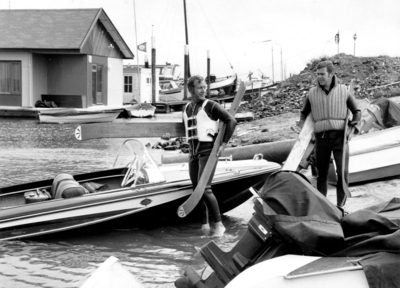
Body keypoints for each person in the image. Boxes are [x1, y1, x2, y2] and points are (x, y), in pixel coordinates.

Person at [299, 60, 361, 207]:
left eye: (322, 74)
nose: (319, 77)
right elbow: (303, 114)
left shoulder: (343, 91)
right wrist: (306, 133)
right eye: (317, 74)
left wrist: (353, 127)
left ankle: (340, 207)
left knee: (342, 173)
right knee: (321, 175)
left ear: (331, 74)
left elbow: (357, 112)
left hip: (340, 137)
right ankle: (323, 207)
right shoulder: (312, 94)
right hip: (321, 138)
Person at [183, 75, 237, 237]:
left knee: (205, 189)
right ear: (191, 89)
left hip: (208, 153)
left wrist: (223, 145)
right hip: (193, 154)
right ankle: (204, 226)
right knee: (196, 191)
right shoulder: (186, 108)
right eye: (200, 87)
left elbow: (231, 121)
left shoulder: (211, 105)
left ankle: (219, 225)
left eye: (204, 87)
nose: (203, 90)